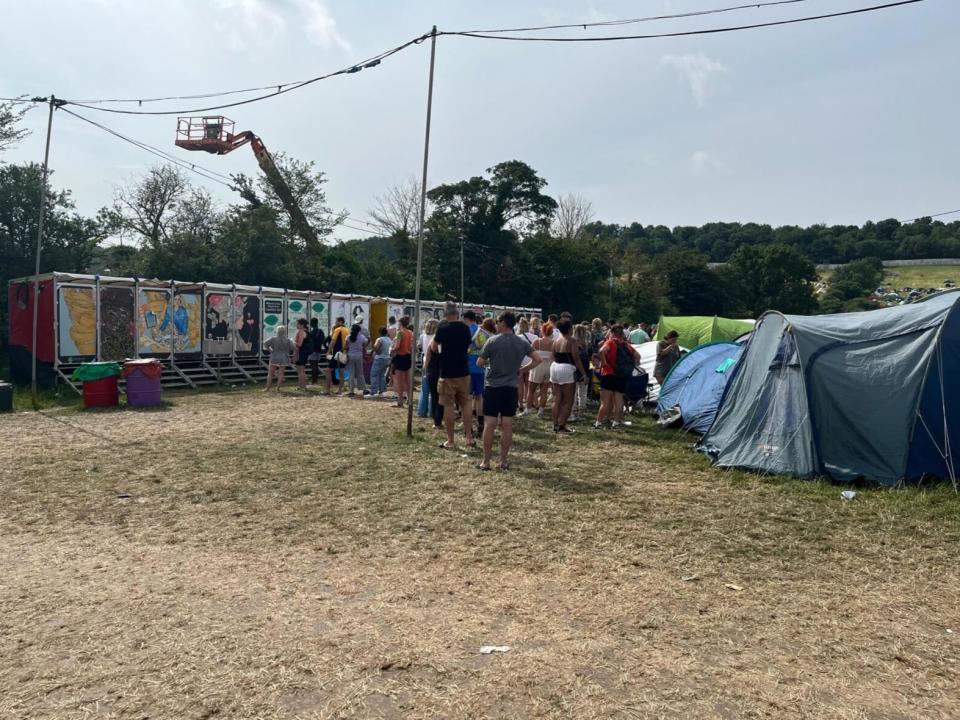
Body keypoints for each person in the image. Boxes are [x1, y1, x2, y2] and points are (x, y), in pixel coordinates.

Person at [476, 311, 541, 471]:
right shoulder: (521, 343)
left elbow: (479, 362)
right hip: (511, 387)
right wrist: (522, 370)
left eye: (498, 321)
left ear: (503, 323)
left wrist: (489, 364)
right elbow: (537, 359)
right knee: (507, 424)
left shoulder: (492, 341)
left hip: (493, 386)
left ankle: (486, 461)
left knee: (489, 424)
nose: (496, 324)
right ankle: (503, 461)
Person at [431, 302, 474, 449]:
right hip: (463, 370)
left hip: (447, 372)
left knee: (448, 405)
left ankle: (451, 440)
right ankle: (469, 437)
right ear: (457, 314)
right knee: (465, 403)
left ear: (445, 314)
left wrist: (440, 353)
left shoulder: (442, 328)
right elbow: (469, 347)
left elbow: (433, 346)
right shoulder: (465, 328)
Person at [595, 324, 642, 429]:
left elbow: (601, 351)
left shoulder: (610, 342)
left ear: (612, 332)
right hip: (621, 375)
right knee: (618, 400)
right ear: (622, 333)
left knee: (605, 401)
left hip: (608, 374)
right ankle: (616, 423)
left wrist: (603, 363)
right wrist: (632, 365)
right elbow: (638, 356)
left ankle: (598, 423)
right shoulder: (626, 345)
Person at [549, 319, 587, 433]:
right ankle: (562, 426)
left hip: (555, 367)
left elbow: (553, 356)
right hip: (566, 369)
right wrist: (584, 374)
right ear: (570, 329)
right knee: (568, 400)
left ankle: (555, 424)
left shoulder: (556, 340)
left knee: (556, 399)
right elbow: (576, 358)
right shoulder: (572, 341)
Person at [464, 310, 491, 433]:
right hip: (480, 368)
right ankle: (481, 423)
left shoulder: (465, 332)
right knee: (479, 397)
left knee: (468, 398)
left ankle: (468, 426)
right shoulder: (485, 333)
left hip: (467, 368)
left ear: (466, 319)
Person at [525, 325, 554, 417]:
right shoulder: (554, 343)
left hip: (537, 367)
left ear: (542, 331)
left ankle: (527, 410)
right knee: (544, 391)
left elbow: (529, 354)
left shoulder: (537, 341)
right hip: (549, 367)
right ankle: (541, 411)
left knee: (531, 390)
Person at [423, 322, 444, 431]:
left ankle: (435, 418)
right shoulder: (446, 343)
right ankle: (438, 418)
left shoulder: (432, 342)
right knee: (441, 397)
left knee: (434, 395)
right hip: (443, 372)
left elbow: (428, 358)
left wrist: (426, 372)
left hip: (432, 371)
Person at [417, 318, 438, 417]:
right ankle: (431, 411)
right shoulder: (436, 337)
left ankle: (421, 411)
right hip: (433, 363)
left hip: (425, 360)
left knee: (424, 389)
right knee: (433, 391)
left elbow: (420, 347)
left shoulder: (423, 336)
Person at [391, 316, 414, 408]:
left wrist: (392, 349)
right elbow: (411, 346)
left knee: (399, 381)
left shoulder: (400, 333)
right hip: (408, 356)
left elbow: (397, 346)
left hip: (400, 356)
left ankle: (400, 401)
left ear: (400, 323)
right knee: (408, 380)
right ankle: (409, 399)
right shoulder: (410, 332)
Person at [263, 325, 295, 391]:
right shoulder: (288, 340)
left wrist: (270, 350)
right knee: (281, 373)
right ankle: (278, 388)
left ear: (277, 331)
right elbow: (293, 348)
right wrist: (292, 342)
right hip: (284, 357)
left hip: (275, 356)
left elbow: (265, 343)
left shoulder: (273, 339)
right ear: (285, 332)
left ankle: (267, 388)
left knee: (270, 373)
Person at [325, 317, 349, 395]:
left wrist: (328, 351)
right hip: (344, 353)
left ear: (340, 322)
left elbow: (333, 341)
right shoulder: (347, 330)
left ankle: (327, 390)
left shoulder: (338, 329)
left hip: (336, 354)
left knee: (328, 370)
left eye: (336, 321)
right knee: (341, 371)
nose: (335, 323)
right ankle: (340, 390)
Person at [344, 323, 367, 397]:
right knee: (360, 373)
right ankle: (364, 389)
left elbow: (346, 347)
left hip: (350, 356)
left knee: (351, 374)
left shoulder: (348, 337)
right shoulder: (362, 337)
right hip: (359, 356)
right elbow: (364, 348)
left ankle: (351, 391)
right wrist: (364, 356)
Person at [369, 327, 392, 397]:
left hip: (379, 358)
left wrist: (378, 352)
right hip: (387, 359)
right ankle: (382, 391)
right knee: (382, 375)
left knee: (374, 374)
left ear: (379, 333)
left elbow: (376, 347)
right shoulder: (389, 340)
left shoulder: (380, 339)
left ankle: (373, 391)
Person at [307, 317, 326, 385]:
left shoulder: (312, 332)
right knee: (316, 365)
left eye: (311, 323)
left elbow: (309, 341)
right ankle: (316, 380)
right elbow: (323, 340)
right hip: (318, 350)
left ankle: (313, 381)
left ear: (313, 323)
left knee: (313, 366)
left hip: (312, 350)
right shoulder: (320, 331)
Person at [293, 318, 311, 390]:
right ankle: (303, 386)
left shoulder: (301, 331)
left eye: (297, 324)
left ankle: (301, 386)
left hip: (300, 352)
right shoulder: (306, 331)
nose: (296, 325)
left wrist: (292, 342)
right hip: (303, 352)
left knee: (300, 370)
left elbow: (299, 344)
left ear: (302, 325)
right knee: (302, 370)